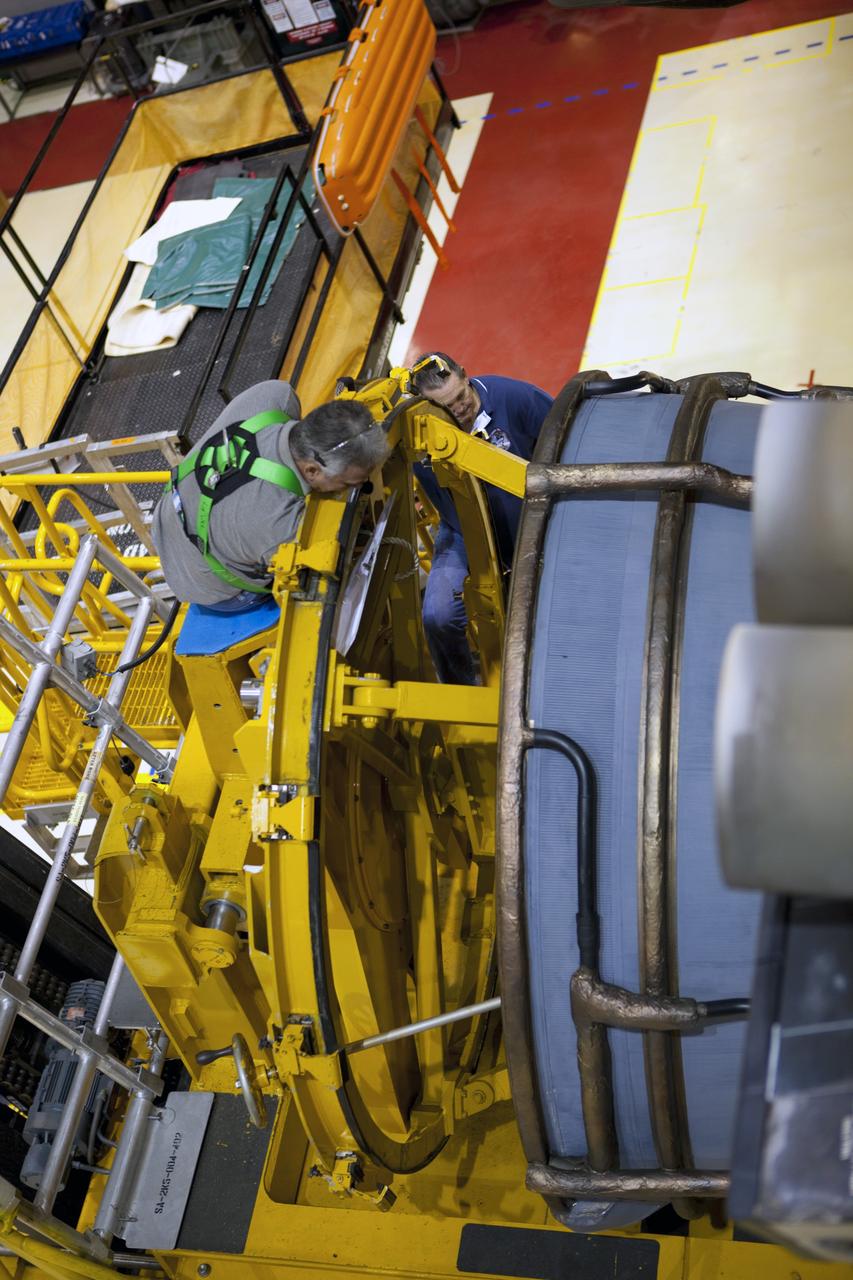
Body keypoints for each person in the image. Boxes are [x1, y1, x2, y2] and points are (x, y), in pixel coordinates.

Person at [152, 379, 388, 611]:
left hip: (170, 509)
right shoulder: (280, 528)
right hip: (198, 582)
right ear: (313, 470)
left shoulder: (274, 395)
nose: (353, 488)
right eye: (349, 483)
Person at [409, 352, 552, 684]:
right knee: (438, 615)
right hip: (462, 530)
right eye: (447, 407)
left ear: (464, 374)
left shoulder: (515, 398)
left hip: (534, 523)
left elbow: (569, 436)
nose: (459, 408)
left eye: (461, 396)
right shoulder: (419, 435)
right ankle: (461, 691)